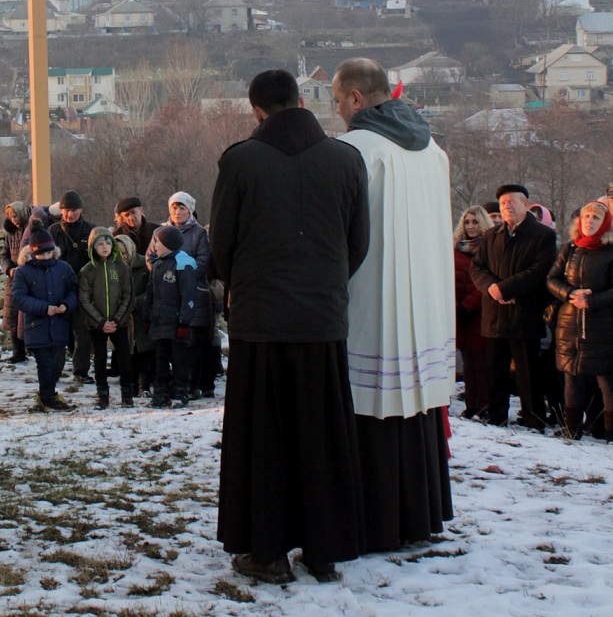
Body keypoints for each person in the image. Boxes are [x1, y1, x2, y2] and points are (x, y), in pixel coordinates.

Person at [210, 68, 370, 585]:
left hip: (260, 321)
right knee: (323, 435)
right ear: (303, 100)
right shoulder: (347, 159)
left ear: (256, 109)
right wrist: (325, 284)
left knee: (265, 439)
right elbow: (358, 243)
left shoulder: (240, 161)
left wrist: (243, 287)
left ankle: (268, 553)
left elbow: (222, 246)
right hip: (322, 320)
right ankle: (324, 551)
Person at [332, 59, 455, 553]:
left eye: (338, 100)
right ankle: (418, 515)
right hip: (424, 301)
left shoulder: (355, 149)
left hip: (372, 297)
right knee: (413, 404)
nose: (337, 110)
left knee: (373, 403)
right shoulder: (432, 148)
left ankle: (374, 520)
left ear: (357, 98)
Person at [470, 183, 557, 430]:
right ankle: (496, 414)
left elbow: (538, 271)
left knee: (527, 371)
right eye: (503, 203)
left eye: (512, 202)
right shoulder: (491, 235)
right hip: (494, 312)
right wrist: (492, 288)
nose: (506, 206)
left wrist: (505, 289)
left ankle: (534, 417)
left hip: (524, 312)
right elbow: (478, 268)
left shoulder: (543, 235)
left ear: (526, 204)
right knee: (494, 369)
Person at [547, 199, 613, 440]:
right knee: (571, 375)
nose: (589, 221)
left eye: (595, 218)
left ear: (605, 222)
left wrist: (592, 301)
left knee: (606, 380)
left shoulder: (610, 250)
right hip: (570, 323)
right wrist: (570, 293)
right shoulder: (570, 248)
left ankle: (608, 433)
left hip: (602, 326)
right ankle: (571, 429)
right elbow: (552, 280)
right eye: (586, 217)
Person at [146, 191, 218, 396]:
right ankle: (165, 384)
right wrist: (163, 274)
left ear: (190, 210)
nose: (177, 212)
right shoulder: (160, 232)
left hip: (191, 292)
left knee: (191, 344)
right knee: (165, 345)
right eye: (174, 208)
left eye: (182, 208)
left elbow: (203, 261)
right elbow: (151, 257)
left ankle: (191, 384)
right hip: (165, 295)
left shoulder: (198, 233)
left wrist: (181, 272)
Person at [11, 234, 79, 412]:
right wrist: (44, 308)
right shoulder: (23, 271)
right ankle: (47, 397)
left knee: (57, 363)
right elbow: (19, 298)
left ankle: (48, 396)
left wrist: (66, 305)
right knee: (45, 363)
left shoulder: (63, 268)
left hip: (60, 324)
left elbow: (73, 290)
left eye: (49, 253)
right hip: (37, 326)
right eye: (42, 254)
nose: (46, 257)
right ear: (33, 253)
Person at [142, 226, 205, 410]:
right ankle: (161, 392)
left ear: (168, 245)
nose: (155, 246)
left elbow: (189, 296)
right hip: (160, 322)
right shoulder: (158, 265)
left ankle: (180, 391)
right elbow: (150, 292)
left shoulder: (183, 264)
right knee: (160, 359)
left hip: (177, 324)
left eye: (158, 242)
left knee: (179, 359)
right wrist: (147, 316)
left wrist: (185, 322)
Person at [78, 227, 135, 409]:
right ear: (93, 247)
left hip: (120, 323)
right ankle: (102, 394)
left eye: (108, 243)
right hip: (97, 325)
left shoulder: (122, 268)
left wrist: (117, 320)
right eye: (100, 244)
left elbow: (128, 295)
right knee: (100, 359)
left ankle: (127, 395)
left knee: (124, 358)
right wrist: (101, 322)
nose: (104, 247)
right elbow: (84, 299)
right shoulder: (87, 271)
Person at [49, 191, 95, 384]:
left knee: (82, 332)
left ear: (81, 210)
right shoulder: (53, 231)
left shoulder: (90, 230)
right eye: (67, 210)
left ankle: (81, 371)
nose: (70, 215)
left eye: (74, 210)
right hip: (59, 288)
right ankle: (54, 371)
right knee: (59, 332)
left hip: (82, 288)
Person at [453, 207, 493, 419]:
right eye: (467, 222)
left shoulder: (489, 248)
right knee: (468, 362)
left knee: (481, 362)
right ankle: (472, 405)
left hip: (479, 313)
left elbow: (484, 282)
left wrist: (466, 305)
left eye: (475, 222)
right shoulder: (456, 248)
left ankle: (484, 405)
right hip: (459, 313)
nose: (470, 226)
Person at [116, 233, 155, 395]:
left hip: (143, 314)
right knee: (127, 352)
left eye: (125, 253)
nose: (122, 257)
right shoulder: (113, 268)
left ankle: (144, 385)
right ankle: (130, 385)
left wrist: (134, 303)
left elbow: (152, 289)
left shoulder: (145, 265)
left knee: (145, 351)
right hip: (124, 317)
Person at [1, 201, 32, 363]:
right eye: (11, 217)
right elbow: (4, 255)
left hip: (31, 278)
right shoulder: (9, 233)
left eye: (16, 216)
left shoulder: (33, 229)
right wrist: (9, 269)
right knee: (13, 315)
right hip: (14, 279)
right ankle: (18, 352)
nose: (13, 220)